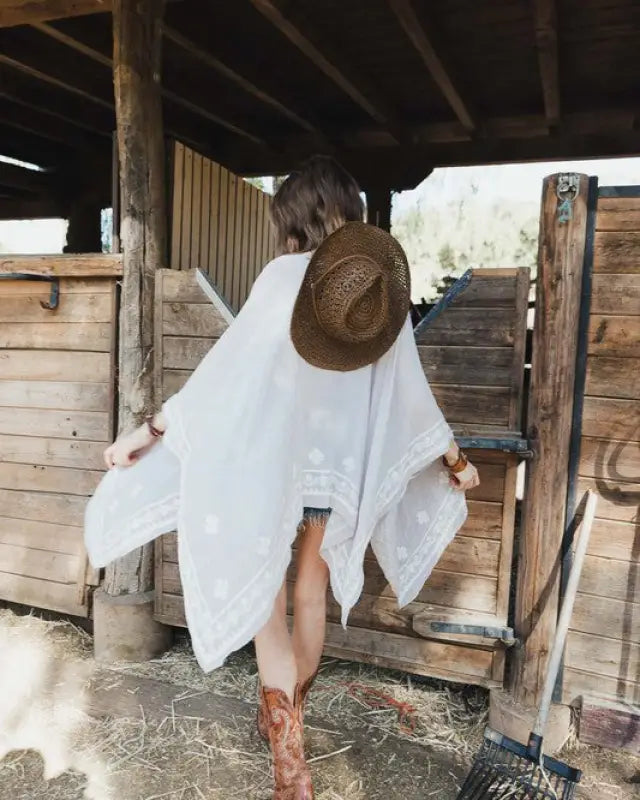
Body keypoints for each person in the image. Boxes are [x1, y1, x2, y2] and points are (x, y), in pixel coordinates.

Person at [85, 155, 479, 800]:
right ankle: (289, 724)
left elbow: (222, 380)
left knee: (269, 604)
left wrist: (148, 432)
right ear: (349, 211)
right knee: (311, 595)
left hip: (269, 470)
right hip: (334, 479)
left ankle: (289, 763)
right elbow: (413, 396)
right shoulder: (380, 292)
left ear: (293, 218)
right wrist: (455, 462)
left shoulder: (280, 279)